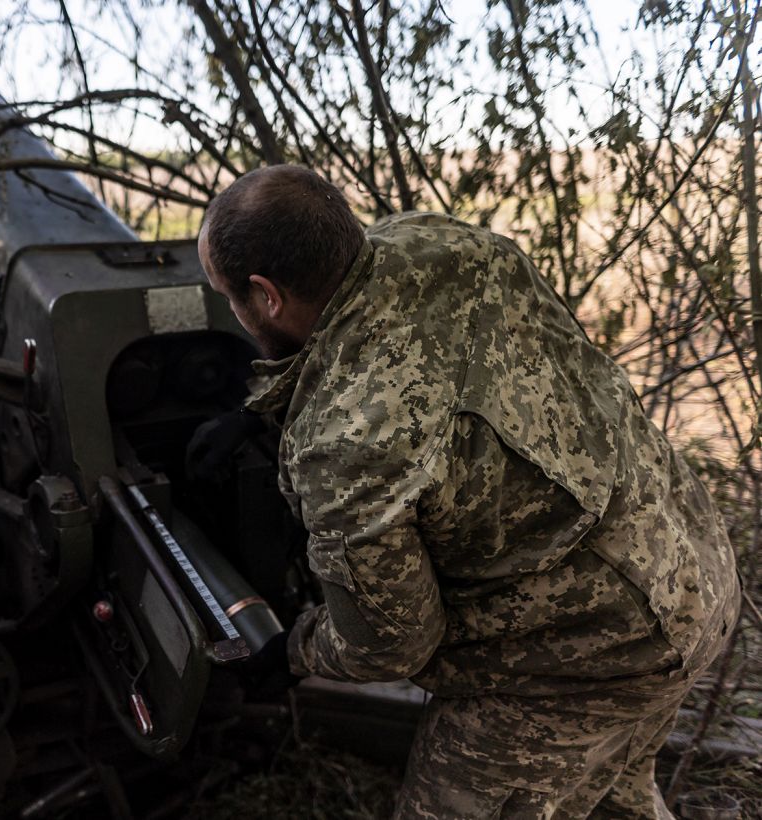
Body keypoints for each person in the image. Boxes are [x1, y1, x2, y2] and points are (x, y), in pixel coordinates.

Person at [193, 165, 739, 818]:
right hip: (691, 567)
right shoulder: (441, 242)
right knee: (611, 800)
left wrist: (294, 649)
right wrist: (276, 405)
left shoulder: (345, 443)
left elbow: (391, 641)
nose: (234, 311)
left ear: (266, 295)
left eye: (231, 298)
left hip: (591, 652)